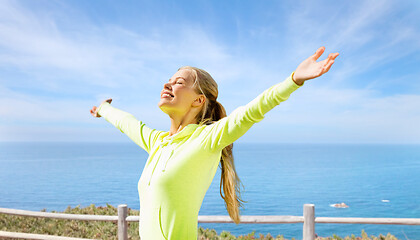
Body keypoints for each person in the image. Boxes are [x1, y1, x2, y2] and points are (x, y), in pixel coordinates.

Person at [90, 46, 339, 240]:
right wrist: (104, 109)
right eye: (169, 79)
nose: (167, 84)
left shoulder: (207, 139)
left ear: (198, 101)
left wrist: (294, 79)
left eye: (179, 81)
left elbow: (252, 111)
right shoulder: (158, 143)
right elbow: (128, 122)